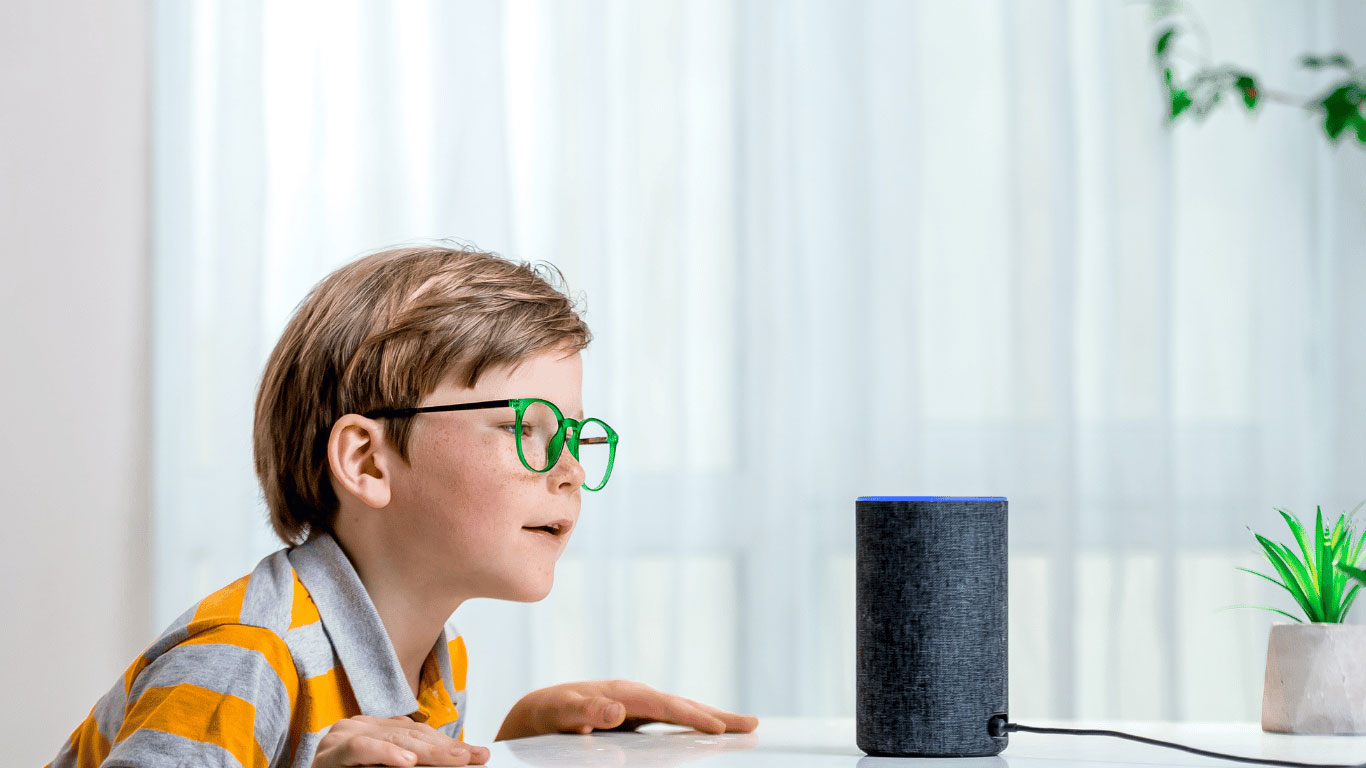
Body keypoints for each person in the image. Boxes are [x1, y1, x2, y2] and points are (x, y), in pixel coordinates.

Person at [48, 244, 758, 767]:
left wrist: (519, 745)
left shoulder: (432, 657)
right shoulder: (243, 659)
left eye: (572, 433)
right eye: (526, 429)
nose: (569, 470)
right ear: (366, 461)